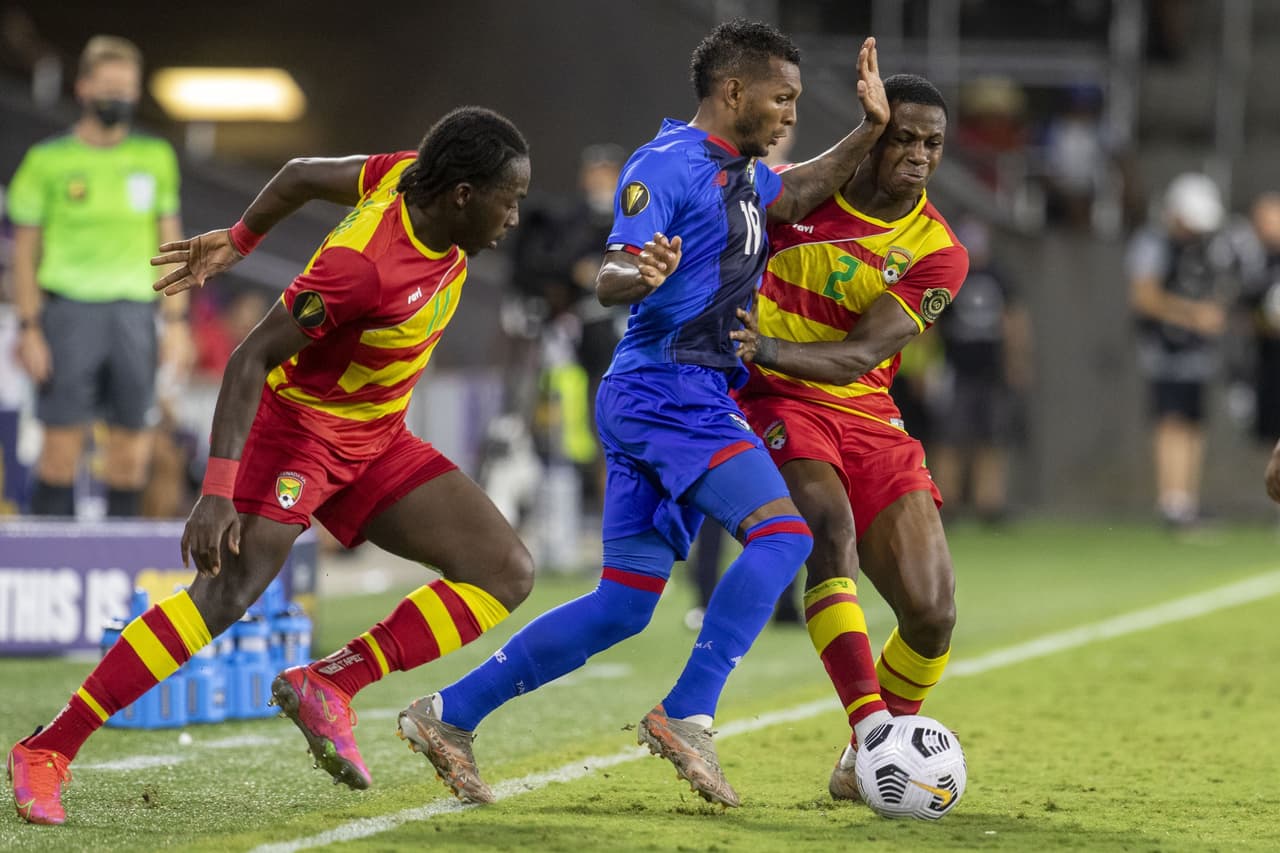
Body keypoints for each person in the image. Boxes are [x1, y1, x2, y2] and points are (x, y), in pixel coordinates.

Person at [394, 20, 891, 809]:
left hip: (667, 395)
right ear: (733, 92)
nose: (792, 113)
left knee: (624, 604)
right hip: (671, 391)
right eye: (782, 97)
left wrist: (871, 128)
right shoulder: (665, 165)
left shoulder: (740, 173)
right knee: (786, 533)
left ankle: (447, 714)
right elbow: (616, 268)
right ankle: (688, 711)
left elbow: (796, 191)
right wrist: (638, 271)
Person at [7, 106, 535, 826]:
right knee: (224, 596)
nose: (515, 215)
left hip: (376, 436)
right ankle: (47, 748)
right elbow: (249, 357)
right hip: (296, 433)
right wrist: (217, 492)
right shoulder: (361, 269)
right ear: (465, 195)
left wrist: (239, 237)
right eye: (511, 197)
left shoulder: (407, 174)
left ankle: (330, 682)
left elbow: (296, 177)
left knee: (504, 571)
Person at [729, 73, 968, 800]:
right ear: (873, 136)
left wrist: (763, 345)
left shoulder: (938, 250)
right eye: (904, 137)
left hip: (862, 408)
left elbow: (862, 355)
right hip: (777, 401)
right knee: (829, 527)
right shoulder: (797, 195)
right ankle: (872, 736)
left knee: (932, 612)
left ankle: (861, 761)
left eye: (933, 143)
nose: (920, 155)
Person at [8, 35, 192, 518]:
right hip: (68, 314)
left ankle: (119, 576)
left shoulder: (156, 158)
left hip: (135, 315)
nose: (120, 98)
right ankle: (56, 570)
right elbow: (23, 254)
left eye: (128, 89)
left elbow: (171, 243)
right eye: (110, 87)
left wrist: (175, 323)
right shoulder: (46, 162)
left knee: (133, 455)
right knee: (60, 453)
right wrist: (28, 328)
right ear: (84, 87)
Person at [1128, 172, 1233, 528]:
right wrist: (1193, 315)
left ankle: (1187, 499)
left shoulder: (1205, 246)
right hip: (1165, 349)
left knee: (1194, 424)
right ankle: (1171, 501)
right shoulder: (1152, 243)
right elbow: (1144, 297)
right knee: (1171, 422)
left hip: (1197, 352)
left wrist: (1213, 312)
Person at [930, 216, 1033, 523]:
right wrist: (929, 366)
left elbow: (1014, 319)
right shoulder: (949, 273)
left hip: (991, 368)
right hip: (955, 367)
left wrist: (1017, 361)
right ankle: (947, 501)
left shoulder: (999, 275)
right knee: (949, 437)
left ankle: (990, 502)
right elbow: (930, 324)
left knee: (992, 437)